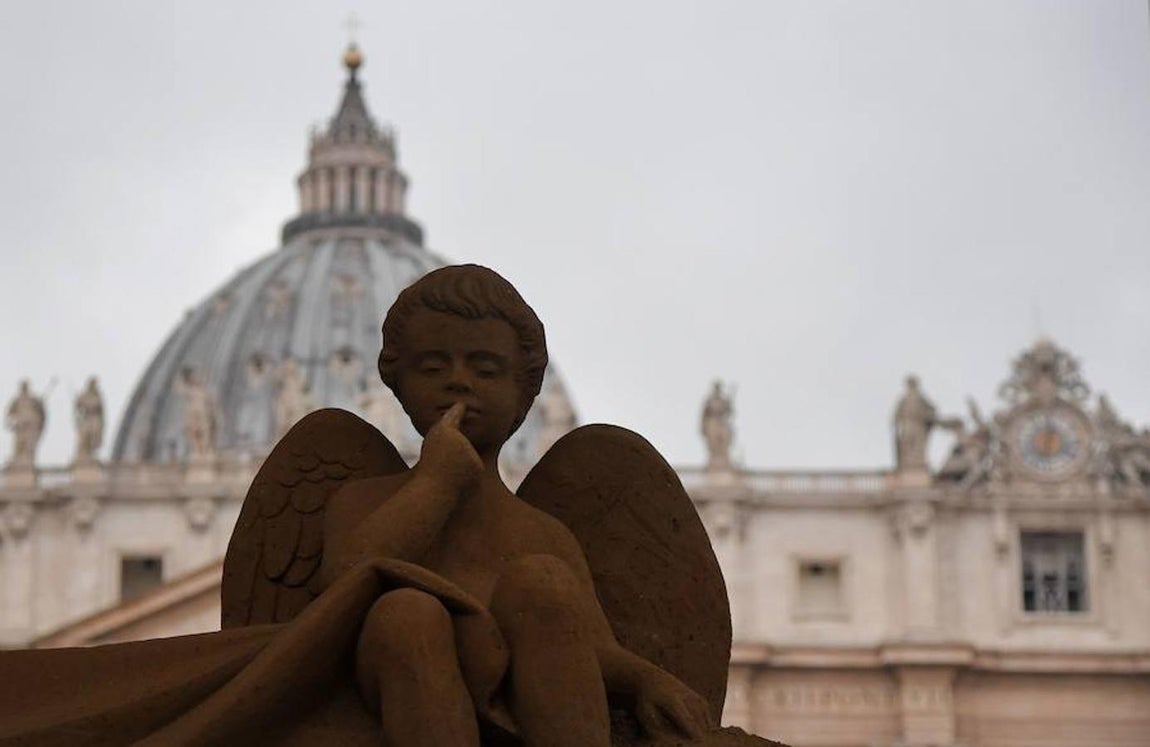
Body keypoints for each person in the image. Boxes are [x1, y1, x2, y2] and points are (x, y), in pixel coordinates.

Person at [319, 265, 710, 746]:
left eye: (484, 370)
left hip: (527, 703)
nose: (459, 383)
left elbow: (589, 648)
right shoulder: (359, 502)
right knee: (407, 616)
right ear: (397, 382)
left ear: (524, 395)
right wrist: (437, 484)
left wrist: (646, 679)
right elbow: (336, 598)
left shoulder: (543, 534)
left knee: (541, 584)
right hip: (402, 689)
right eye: (434, 368)